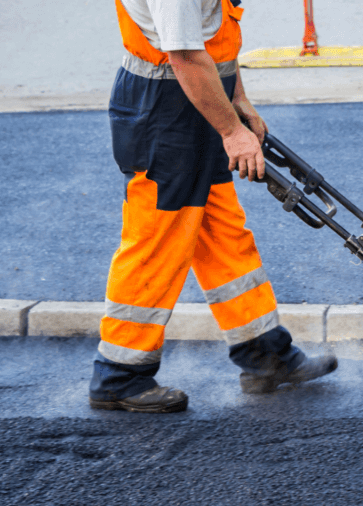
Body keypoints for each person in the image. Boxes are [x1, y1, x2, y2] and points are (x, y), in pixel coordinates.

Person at [89, 0, 337, 413]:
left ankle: (264, 355)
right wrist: (232, 132)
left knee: (224, 235)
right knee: (156, 243)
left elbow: (213, 39)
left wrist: (238, 99)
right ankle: (118, 373)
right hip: (164, 112)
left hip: (199, 99)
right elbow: (185, 55)